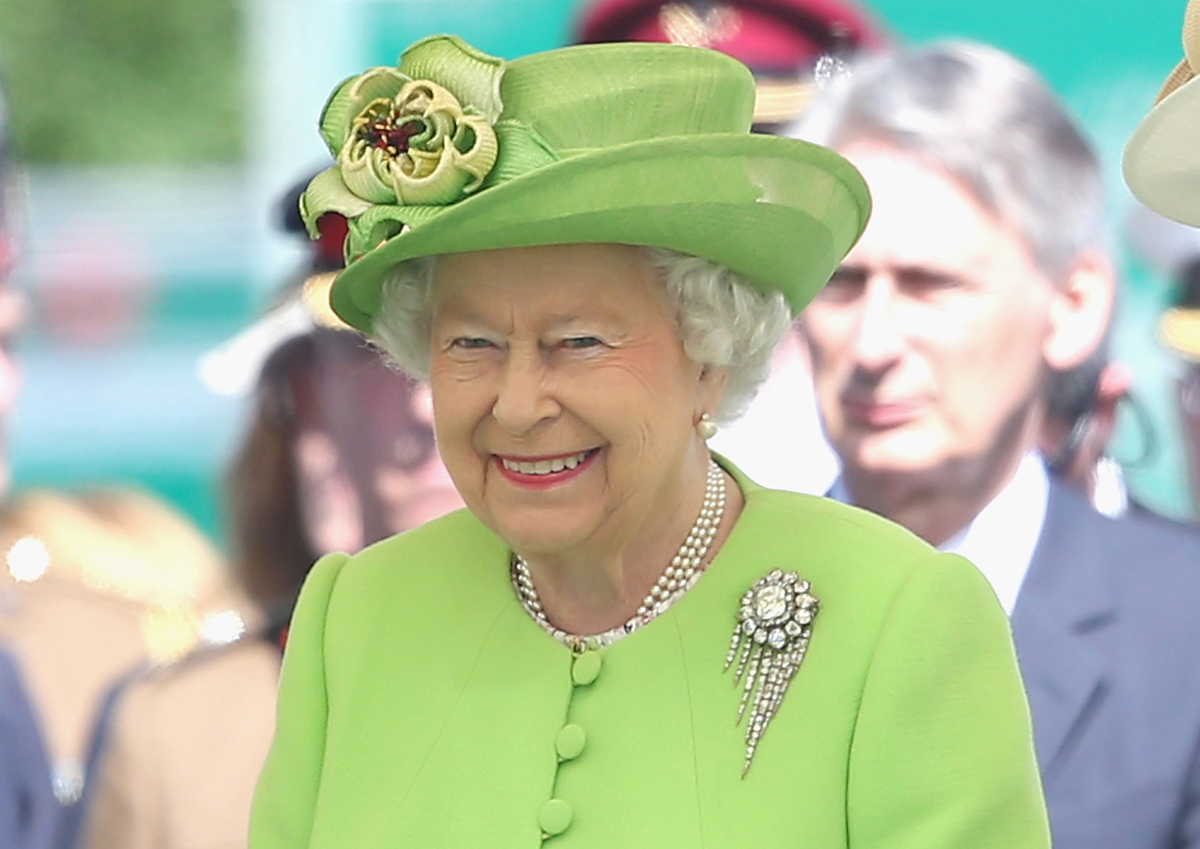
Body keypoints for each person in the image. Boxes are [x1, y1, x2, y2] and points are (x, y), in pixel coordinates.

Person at [248, 35, 1049, 848]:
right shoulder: (354, 614)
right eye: (474, 344)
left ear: (710, 355)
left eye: (582, 342)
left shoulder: (898, 619)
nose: (518, 406)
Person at [799, 40, 1200, 848]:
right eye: (840, 282)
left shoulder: (1184, 629)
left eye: (930, 285)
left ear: (1073, 306)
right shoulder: (690, 604)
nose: (873, 342)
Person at [76, 197, 463, 849]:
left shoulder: (684, 679)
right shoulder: (182, 734)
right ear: (308, 397)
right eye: (379, 348)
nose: (430, 404)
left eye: (480, 340)